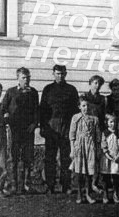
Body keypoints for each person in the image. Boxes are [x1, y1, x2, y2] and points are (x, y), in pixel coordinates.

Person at [40, 65, 79, 194]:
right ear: (53, 74)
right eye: (57, 73)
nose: (60, 76)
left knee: (66, 157)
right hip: (51, 126)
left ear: (66, 74)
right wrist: (43, 127)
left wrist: (73, 130)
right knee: (50, 157)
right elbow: (43, 110)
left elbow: (75, 111)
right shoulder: (48, 89)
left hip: (66, 126)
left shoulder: (71, 90)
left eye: (62, 74)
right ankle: (50, 185)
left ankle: (66, 185)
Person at [2, 67, 39, 194]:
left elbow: (36, 111)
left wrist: (34, 124)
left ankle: (26, 185)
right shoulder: (11, 92)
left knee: (27, 158)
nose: (26, 80)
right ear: (17, 78)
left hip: (28, 130)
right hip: (14, 130)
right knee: (13, 157)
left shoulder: (33, 92)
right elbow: (3, 108)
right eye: (23, 77)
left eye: (28, 77)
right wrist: (7, 118)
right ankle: (13, 185)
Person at [69, 96, 101, 204]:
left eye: (87, 105)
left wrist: (97, 149)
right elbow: (72, 136)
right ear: (79, 107)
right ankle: (79, 193)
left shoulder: (94, 119)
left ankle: (88, 194)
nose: (85, 108)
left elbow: (97, 136)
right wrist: (72, 149)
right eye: (83, 105)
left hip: (90, 147)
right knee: (79, 171)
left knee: (88, 171)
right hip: (79, 146)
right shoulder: (75, 118)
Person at [100, 114, 119, 204]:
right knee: (106, 177)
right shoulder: (104, 133)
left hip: (117, 158)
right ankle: (105, 194)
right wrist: (108, 156)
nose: (113, 124)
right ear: (107, 123)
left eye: (114, 122)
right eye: (111, 122)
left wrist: (118, 156)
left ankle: (116, 194)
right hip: (107, 158)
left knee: (116, 177)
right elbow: (103, 145)